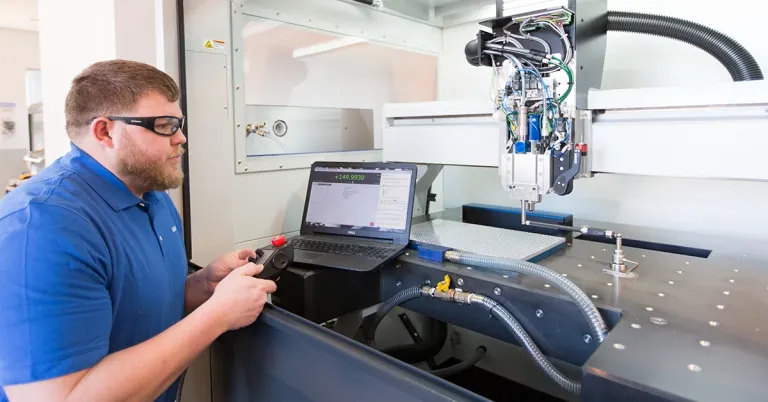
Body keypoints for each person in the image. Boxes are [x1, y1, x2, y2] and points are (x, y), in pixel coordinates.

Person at [0, 60, 277, 402]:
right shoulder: (41, 227)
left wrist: (202, 287)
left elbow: (129, 305)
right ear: (104, 132)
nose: (181, 138)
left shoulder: (151, 194)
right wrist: (217, 315)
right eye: (164, 126)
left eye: (179, 124)